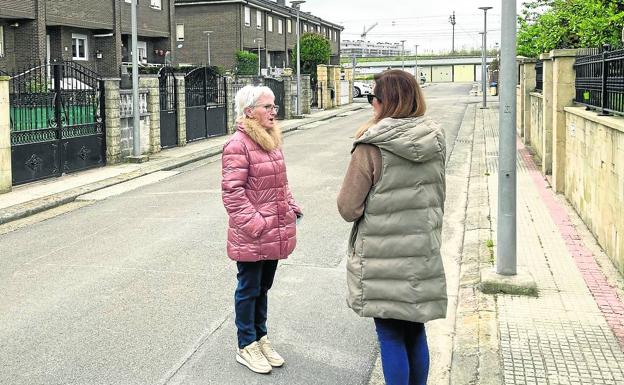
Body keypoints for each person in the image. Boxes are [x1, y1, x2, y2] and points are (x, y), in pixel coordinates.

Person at [337, 70, 447, 385]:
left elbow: (348, 207)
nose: (370, 103)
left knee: (390, 334)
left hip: (382, 258)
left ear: (385, 103)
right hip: (422, 250)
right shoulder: (435, 138)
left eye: (373, 97)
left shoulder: (370, 146)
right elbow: (437, 195)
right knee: (415, 329)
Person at [221, 85, 302, 374]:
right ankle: (246, 345)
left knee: (263, 288)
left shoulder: (271, 141)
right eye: (267, 107)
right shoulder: (237, 145)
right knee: (249, 288)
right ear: (249, 112)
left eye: (273, 106)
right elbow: (232, 193)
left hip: (274, 230)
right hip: (253, 233)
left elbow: (282, 184)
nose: (273, 111)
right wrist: (258, 224)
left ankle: (260, 336)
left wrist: (291, 207)